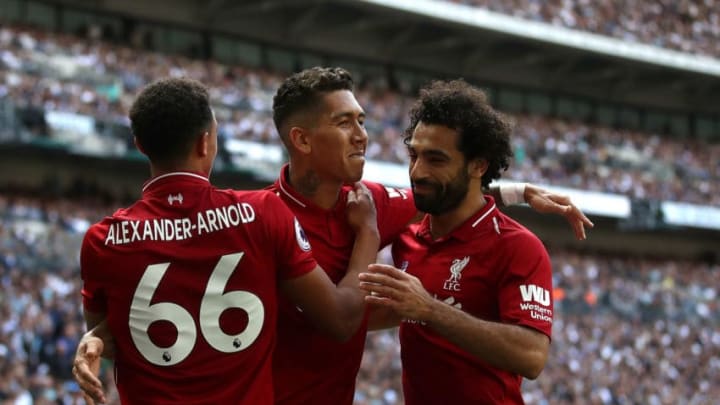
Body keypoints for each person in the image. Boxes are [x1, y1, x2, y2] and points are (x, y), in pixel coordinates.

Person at [74, 68, 591, 404]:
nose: (363, 134)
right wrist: (102, 334)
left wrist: (521, 191)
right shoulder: (258, 219)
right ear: (301, 139)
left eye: (361, 120)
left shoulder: (371, 200)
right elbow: (182, 299)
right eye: (345, 123)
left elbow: (449, 189)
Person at [75, 77, 380, 404]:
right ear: (205, 143)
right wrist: (368, 233)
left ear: (139, 144)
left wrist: (95, 337)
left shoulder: (104, 240)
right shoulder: (262, 213)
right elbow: (342, 319)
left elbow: (114, 332)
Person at [359, 79, 553, 404]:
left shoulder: (518, 246)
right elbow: (383, 316)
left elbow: (532, 355)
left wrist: (431, 309)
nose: (417, 171)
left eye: (436, 159)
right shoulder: (408, 238)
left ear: (478, 165)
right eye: (413, 155)